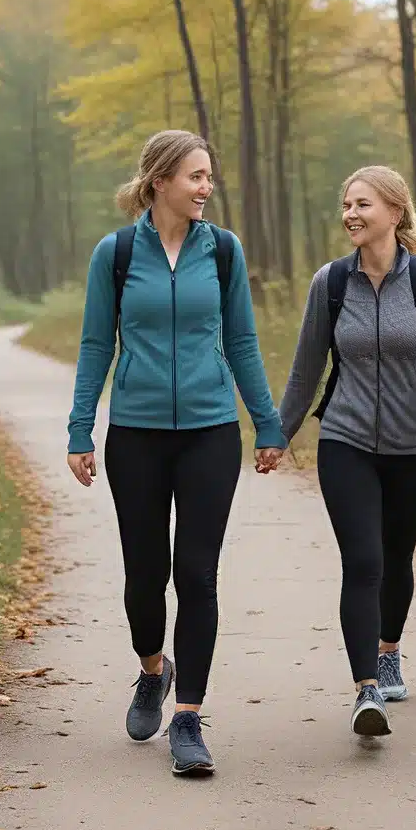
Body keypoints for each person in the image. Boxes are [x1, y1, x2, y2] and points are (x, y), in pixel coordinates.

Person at [66, 129, 285, 776]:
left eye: (209, 176)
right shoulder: (115, 254)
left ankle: (188, 717)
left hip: (211, 431)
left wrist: (268, 424)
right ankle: (152, 671)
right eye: (195, 176)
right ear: (160, 181)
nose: (206, 187)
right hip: (135, 433)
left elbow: (242, 340)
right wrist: (81, 431)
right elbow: (94, 346)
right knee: (144, 574)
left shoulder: (222, 251)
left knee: (196, 573)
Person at [277, 165, 416, 737]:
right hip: (347, 440)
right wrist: (278, 434)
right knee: (363, 561)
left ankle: (389, 650)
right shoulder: (331, 283)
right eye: (346, 204)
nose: (351, 215)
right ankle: (367, 691)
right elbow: (307, 367)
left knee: (396, 555)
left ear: (394, 211)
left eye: (362, 204)